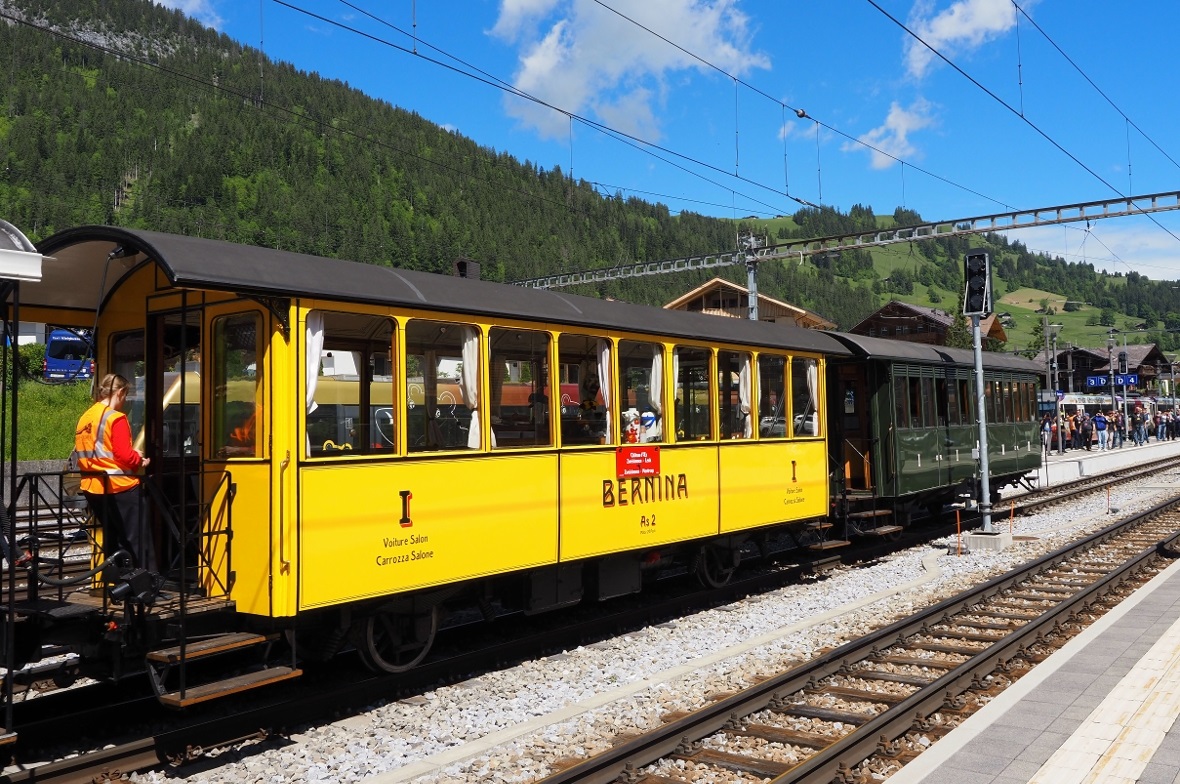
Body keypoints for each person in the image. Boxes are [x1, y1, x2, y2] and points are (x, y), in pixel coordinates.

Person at [74, 373, 157, 573]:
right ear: (120, 392)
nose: (125, 400)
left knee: (113, 539)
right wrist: (139, 460)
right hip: (119, 486)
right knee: (137, 538)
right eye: (125, 395)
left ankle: (118, 583)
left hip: (92, 486)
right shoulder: (116, 418)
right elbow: (123, 455)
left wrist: (128, 455)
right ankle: (146, 586)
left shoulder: (86, 417)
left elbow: (98, 451)